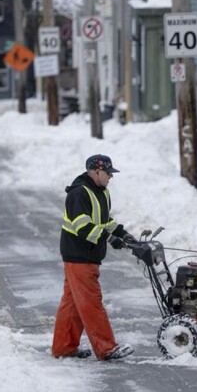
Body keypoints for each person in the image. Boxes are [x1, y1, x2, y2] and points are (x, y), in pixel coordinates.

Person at [51, 154, 136, 361]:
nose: (111, 177)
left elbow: (104, 220)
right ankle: (106, 348)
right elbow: (83, 227)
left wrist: (122, 233)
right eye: (108, 173)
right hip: (79, 255)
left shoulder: (101, 192)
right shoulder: (79, 194)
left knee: (71, 304)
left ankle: (63, 347)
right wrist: (109, 238)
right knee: (91, 303)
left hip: (86, 256)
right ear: (94, 172)